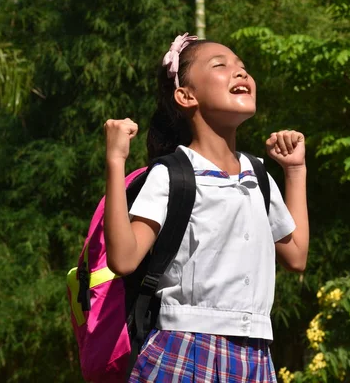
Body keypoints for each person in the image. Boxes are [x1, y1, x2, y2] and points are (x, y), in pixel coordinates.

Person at [103, 33, 309, 382]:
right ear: (185, 95)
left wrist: (295, 170)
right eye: (221, 66)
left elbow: (297, 256)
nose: (240, 72)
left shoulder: (257, 175)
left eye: (242, 67)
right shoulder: (173, 174)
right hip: (184, 348)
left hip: (255, 355)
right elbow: (123, 259)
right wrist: (115, 160)